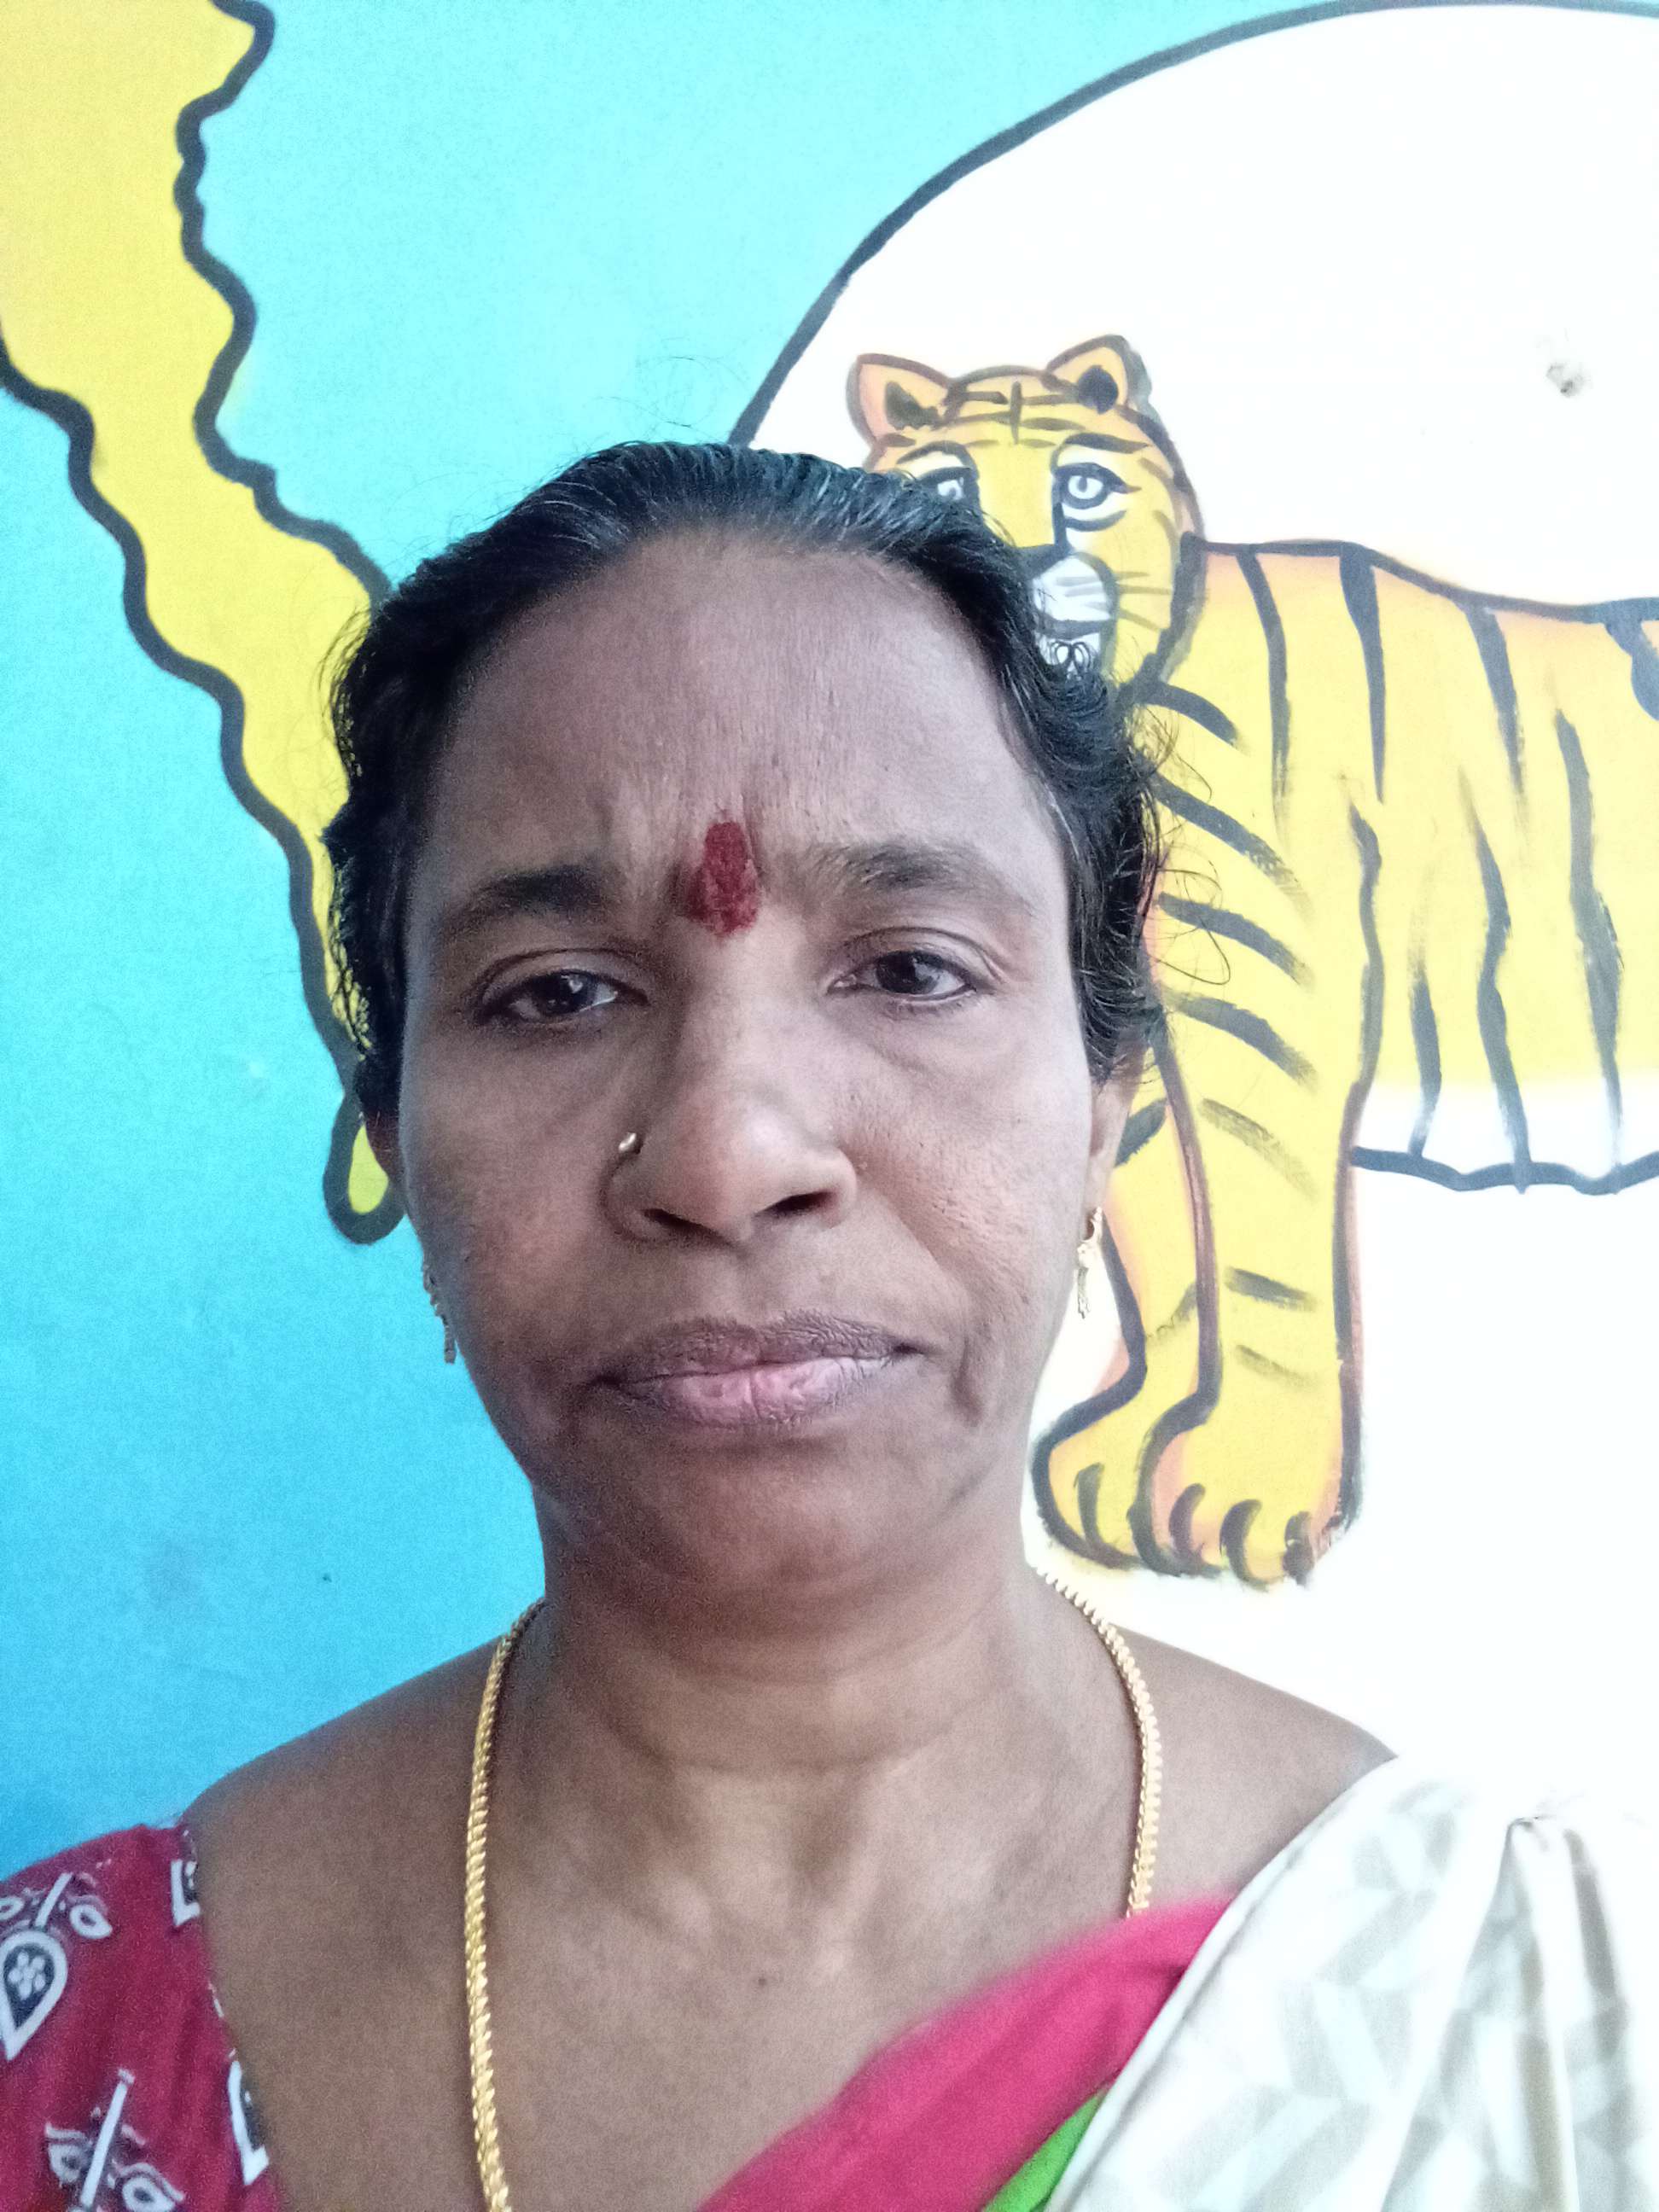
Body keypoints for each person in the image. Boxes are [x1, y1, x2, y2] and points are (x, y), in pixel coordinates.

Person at [2, 445, 1650, 2212]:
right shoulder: (71, 2052)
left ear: (1106, 1094)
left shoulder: (1505, 2016)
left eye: (911, 970)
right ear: (393, 1127)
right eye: (558, 994)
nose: (728, 1158)